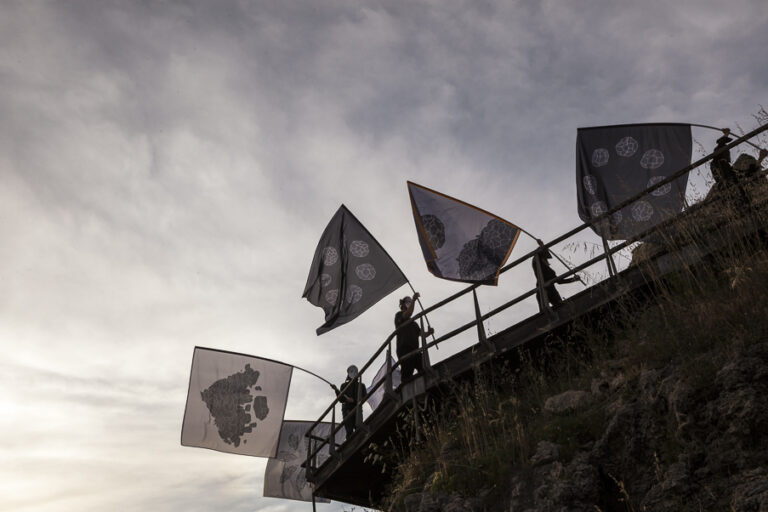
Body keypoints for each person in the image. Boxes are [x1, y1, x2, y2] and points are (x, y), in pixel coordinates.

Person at [394, 292, 434, 382]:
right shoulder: (399, 315)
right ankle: (404, 389)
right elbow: (408, 313)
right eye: (408, 302)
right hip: (404, 349)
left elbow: (421, 334)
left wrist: (429, 332)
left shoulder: (414, 323)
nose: (409, 303)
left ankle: (427, 381)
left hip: (415, 350)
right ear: (403, 305)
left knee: (423, 365)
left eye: (410, 302)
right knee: (407, 372)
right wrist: (414, 300)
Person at [532, 239, 579, 311]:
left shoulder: (549, 271)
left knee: (560, 309)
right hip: (545, 292)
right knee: (547, 314)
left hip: (547, 292)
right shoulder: (539, 266)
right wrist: (542, 245)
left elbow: (559, 281)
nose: (547, 260)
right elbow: (536, 257)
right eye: (545, 258)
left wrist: (573, 279)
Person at [331, 365, 366, 439]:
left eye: (354, 371)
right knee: (349, 431)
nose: (353, 373)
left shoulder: (361, 386)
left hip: (357, 409)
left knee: (359, 429)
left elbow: (365, 397)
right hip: (347, 410)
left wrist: (355, 400)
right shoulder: (344, 386)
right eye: (351, 371)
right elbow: (341, 399)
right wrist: (336, 390)